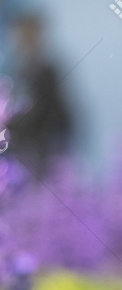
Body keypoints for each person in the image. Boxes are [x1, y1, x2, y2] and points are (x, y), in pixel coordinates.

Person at [7, 13, 73, 175]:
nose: (24, 40)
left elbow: (53, 112)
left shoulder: (47, 71)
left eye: (30, 35)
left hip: (41, 147)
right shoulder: (16, 70)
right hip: (21, 148)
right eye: (22, 35)